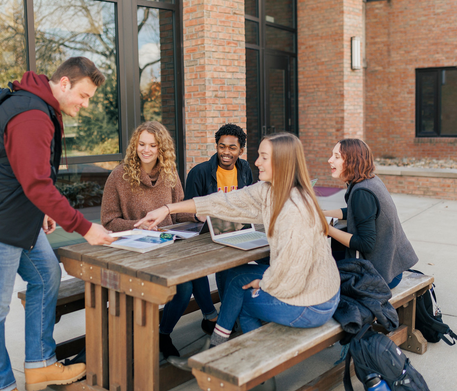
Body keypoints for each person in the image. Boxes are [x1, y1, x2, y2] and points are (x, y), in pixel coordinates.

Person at [0, 57, 115, 391]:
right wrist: (85, 227)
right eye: (84, 95)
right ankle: (1, 385)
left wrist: (40, 210)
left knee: (46, 274)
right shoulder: (32, 114)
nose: (85, 104)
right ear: (64, 83)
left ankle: (39, 366)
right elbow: (38, 184)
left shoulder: (37, 106)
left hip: (11, 216)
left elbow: (19, 172)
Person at [135, 132, 341, 376]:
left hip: (312, 303)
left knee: (241, 299)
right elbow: (223, 201)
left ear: (282, 162)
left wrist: (264, 283)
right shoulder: (270, 190)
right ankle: (223, 351)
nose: (256, 163)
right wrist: (168, 208)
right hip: (308, 288)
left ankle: (236, 364)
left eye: (263, 157)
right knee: (235, 276)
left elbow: (291, 275)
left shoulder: (293, 209)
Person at [152, 123, 254, 358]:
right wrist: (202, 215)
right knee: (196, 277)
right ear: (216, 146)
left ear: (240, 150)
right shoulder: (199, 172)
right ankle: (212, 318)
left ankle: (223, 319)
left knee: (233, 271)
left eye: (232, 147)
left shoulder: (245, 169)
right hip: (204, 236)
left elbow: (249, 200)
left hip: (233, 231)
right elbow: (187, 213)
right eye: (221, 146)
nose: (226, 152)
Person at [100, 120, 198, 359]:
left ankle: (163, 334)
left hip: (167, 247)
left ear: (161, 148)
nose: (146, 150)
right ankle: (131, 340)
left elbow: (180, 213)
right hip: (133, 252)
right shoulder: (118, 176)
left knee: (185, 287)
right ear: (135, 145)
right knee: (139, 293)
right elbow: (109, 221)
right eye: (141, 144)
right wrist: (138, 225)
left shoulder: (169, 172)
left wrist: (199, 215)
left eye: (152, 145)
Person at [324, 138, 418, 289]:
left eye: (336, 156)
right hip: (392, 268)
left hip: (381, 275)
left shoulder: (362, 191)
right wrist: (323, 214)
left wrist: (326, 229)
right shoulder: (369, 181)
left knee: (321, 278)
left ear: (351, 161)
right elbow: (357, 212)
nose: (330, 160)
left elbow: (365, 243)